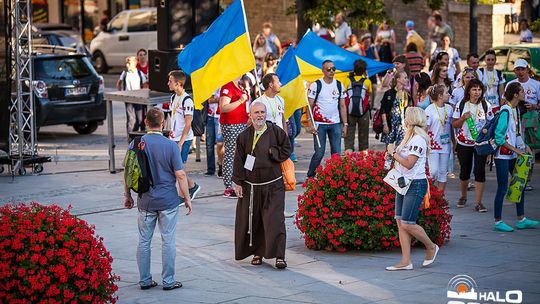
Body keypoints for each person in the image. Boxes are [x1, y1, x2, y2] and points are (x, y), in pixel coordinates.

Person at [124, 107, 192, 290]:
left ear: (145, 122)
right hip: (168, 201)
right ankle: (168, 281)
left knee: (144, 241)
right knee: (168, 240)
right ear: (163, 123)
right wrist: (187, 198)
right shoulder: (170, 145)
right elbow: (180, 175)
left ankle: (145, 280)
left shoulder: (135, 144)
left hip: (145, 201)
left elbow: (128, 171)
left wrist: (127, 195)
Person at [232, 101, 291, 269]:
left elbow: (287, 149)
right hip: (252, 186)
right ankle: (258, 253)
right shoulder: (243, 136)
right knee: (254, 220)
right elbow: (239, 160)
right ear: (250, 115)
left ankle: (279, 256)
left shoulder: (276, 132)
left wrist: (274, 153)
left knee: (275, 220)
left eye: (262, 112)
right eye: (256, 112)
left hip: (273, 185)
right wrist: (238, 182)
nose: (260, 115)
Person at [385, 107, 439, 271]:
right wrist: (392, 155)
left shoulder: (418, 140)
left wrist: (393, 152)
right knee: (400, 221)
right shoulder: (409, 138)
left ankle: (431, 247)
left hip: (415, 184)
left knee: (407, 223)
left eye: (406, 117)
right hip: (403, 183)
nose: (404, 121)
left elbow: (409, 163)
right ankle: (405, 261)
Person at [492, 83, 538, 232]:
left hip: (512, 154)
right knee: (502, 188)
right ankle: (498, 222)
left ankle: (521, 219)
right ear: (516, 94)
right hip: (502, 156)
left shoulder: (515, 110)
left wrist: (525, 146)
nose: (524, 93)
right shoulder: (505, 111)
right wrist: (516, 150)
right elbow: (499, 138)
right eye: (522, 91)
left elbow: (516, 133)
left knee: (520, 184)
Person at [452, 79, 492, 212]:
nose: (477, 92)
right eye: (474, 89)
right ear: (468, 91)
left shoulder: (486, 105)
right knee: (465, 171)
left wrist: (488, 135)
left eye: (479, 89)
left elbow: (491, 123)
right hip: (464, 143)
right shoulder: (461, 104)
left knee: (480, 171)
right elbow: (454, 124)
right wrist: (462, 118)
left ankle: (478, 202)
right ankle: (463, 196)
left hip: (480, 143)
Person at [306, 60, 347, 178]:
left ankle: (336, 177)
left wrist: (345, 124)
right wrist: (310, 123)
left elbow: (343, 105)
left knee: (336, 154)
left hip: (335, 124)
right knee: (319, 153)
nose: (331, 71)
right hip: (319, 124)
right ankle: (310, 175)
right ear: (323, 71)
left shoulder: (339, 85)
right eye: (328, 69)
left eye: (333, 69)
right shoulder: (316, 85)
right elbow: (310, 105)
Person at [506, 58, 540, 191]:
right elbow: (505, 102)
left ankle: (527, 179)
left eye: (522, 69)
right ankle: (517, 178)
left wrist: (534, 106)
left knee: (528, 151)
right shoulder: (511, 84)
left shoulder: (536, 85)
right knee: (516, 149)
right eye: (517, 69)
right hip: (514, 122)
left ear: (528, 70)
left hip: (531, 122)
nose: (520, 72)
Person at [167, 70, 201, 202]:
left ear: (178, 84)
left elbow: (188, 124)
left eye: (170, 81)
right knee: (176, 168)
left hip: (183, 139)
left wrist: (181, 143)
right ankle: (192, 186)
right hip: (173, 137)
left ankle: (184, 194)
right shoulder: (173, 97)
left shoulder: (187, 100)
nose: (168, 83)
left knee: (179, 169)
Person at [219, 76, 251, 198]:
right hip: (231, 124)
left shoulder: (240, 85)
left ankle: (240, 181)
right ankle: (228, 186)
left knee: (243, 153)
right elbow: (224, 107)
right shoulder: (227, 86)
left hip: (242, 122)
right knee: (231, 153)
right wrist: (240, 101)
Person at [426, 84, 454, 193]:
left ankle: (439, 198)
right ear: (440, 96)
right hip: (433, 145)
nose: (449, 94)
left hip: (445, 144)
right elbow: (425, 128)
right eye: (446, 93)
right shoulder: (430, 109)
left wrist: (454, 142)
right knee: (433, 172)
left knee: (443, 173)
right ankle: (428, 195)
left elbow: (451, 126)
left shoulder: (449, 108)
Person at [344, 59, 372, 153]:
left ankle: (348, 160)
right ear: (364, 70)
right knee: (364, 136)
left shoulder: (347, 80)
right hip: (363, 112)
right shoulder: (367, 81)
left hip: (349, 112)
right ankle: (363, 161)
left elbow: (344, 95)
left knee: (349, 137)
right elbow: (369, 94)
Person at [117, 56, 147, 138]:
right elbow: (119, 83)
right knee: (130, 118)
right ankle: (130, 136)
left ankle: (139, 134)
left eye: (129, 63)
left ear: (135, 63)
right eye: (126, 63)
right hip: (128, 98)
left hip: (138, 98)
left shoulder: (139, 73)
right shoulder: (125, 73)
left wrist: (143, 94)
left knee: (140, 119)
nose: (127, 65)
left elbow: (144, 84)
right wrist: (120, 92)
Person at [381, 71, 413, 147]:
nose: (407, 80)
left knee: (400, 149)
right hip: (390, 123)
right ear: (398, 79)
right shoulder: (389, 93)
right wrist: (385, 124)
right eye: (405, 78)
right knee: (389, 149)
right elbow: (383, 110)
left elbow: (409, 110)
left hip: (402, 125)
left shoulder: (406, 94)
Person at [205, 89, 224, 178]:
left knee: (220, 143)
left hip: (220, 117)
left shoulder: (225, 84)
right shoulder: (212, 83)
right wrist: (219, 99)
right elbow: (209, 99)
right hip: (209, 116)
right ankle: (210, 169)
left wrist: (216, 99)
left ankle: (221, 167)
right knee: (209, 144)